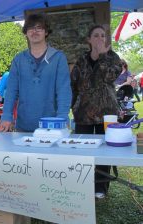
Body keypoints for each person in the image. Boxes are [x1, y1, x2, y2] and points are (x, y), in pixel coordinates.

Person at [71, 25, 122, 199]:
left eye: (102, 35)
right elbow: (74, 84)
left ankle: (100, 188)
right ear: (89, 39)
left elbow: (110, 76)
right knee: (82, 150)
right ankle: (83, 185)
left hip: (106, 112)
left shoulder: (113, 58)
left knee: (104, 152)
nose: (100, 38)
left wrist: (102, 57)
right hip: (83, 113)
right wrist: (73, 106)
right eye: (96, 35)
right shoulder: (81, 60)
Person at [0, 13, 71, 132]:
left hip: (52, 127)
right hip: (24, 126)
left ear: (46, 32)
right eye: (31, 28)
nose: (34, 31)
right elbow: (11, 91)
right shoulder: (18, 60)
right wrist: (7, 116)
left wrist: (62, 118)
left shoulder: (58, 58)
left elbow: (63, 91)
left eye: (39, 28)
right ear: (26, 32)